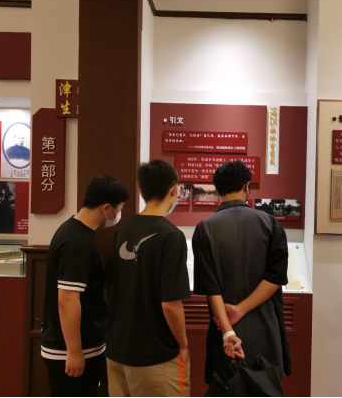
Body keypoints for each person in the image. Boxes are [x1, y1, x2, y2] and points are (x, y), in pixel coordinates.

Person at [193, 161, 292, 385]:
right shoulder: (271, 224)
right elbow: (276, 278)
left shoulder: (204, 228)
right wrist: (240, 309)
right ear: (247, 186)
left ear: (217, 190)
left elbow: (211, 287)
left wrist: (228, 332)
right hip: (266, 328)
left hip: (224, 331)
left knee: (226, 388)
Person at [106, 160, 191, 398]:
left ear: (141, 192)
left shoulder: (124, 230)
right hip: (155, 357)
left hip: (117, 351)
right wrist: (183, 345)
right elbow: (170, 304)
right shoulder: (171, 236)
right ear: (174, 190)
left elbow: (114, 283)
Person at [41, 176, 129, 398]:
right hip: (69, 352)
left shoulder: (79, 233)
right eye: (119, 209)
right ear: (106, 208)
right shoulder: (76, 241)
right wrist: (74, 352)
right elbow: (67, 300)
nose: (118, 215)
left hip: (84, 346)